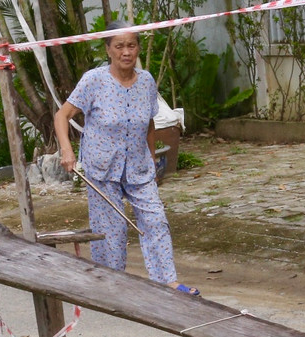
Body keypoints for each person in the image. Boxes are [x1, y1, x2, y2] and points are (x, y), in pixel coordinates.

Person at [54, 23, 197, 296]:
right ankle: (111, 284)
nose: (126, 52)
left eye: (131, 45)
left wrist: (152, 160)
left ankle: (166, 282)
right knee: (112, 229)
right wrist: (66, 150)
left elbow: (149, 123)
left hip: (139, 167)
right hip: (101, 168)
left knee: (155, 220)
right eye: (119, 46)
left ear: (138, 48)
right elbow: (62, 115)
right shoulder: (94, 80)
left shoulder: (146, 81)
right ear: (108, 49)